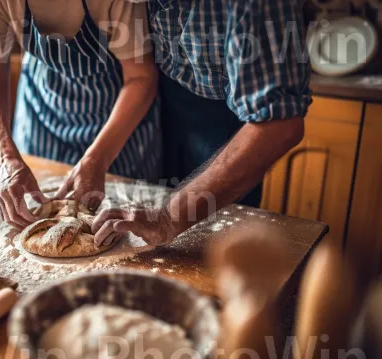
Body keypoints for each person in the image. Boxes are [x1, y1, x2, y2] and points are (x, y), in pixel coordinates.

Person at [93, 0, 312, 246]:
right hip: (168, 120)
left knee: (211, 253)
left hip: (229, 140)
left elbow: (278, 126)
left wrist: (168, 218)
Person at [0, 0, 162, 228]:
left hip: (118, 124)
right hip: (42, 115)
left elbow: (140, 76)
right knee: (39, 224)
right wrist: (5, 157)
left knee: (122, 229)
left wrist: (97, 161)